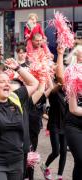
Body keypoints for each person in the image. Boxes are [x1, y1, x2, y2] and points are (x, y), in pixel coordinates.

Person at [56, 45, 82, 180]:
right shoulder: (73, 75)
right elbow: (74, 109)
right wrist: (60, 54)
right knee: (81, 160)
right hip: (74, 125)